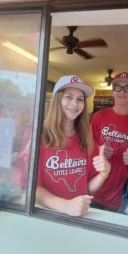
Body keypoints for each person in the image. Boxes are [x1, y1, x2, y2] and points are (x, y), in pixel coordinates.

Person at [36, 75, 111, 217]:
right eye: (69, 97)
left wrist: (104, 174)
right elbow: (33, 188)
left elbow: (87, 188)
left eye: (80, 99)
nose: (75, 104)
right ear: (58, 100)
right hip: (46, 216)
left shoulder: (87, 139)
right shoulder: (39, 137)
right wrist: (65, 205)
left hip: (78, 216)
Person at [91, 72, 128, 211]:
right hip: (91, 186)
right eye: (118, 87)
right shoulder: (98, 116)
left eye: (127, 88)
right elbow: (85, 147)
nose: (122, 91)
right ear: (113, 92)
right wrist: (99, 151)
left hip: (116, 194)